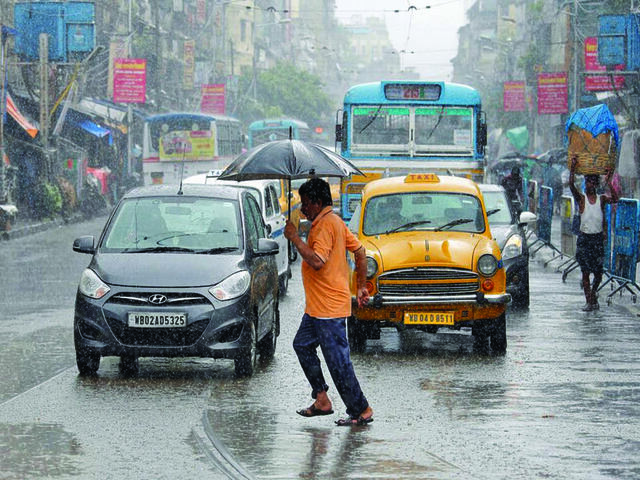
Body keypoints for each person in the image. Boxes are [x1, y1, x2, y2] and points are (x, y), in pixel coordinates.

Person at [284, 177, 374, 426]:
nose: (302, 209)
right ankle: (322, 399)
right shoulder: (333, 221)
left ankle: (361, 409)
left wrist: (294, 238)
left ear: (317, 202)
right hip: (317, 309)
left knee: (338, 362)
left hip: (328, 310)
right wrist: (361, 286)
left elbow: (317, 260)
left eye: (305, 203)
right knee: (302, 345)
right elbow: (361, 252)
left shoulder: (324, 225)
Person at [568, 155, 618, 311]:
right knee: (585, 272)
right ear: (585, 183)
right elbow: (571, 185)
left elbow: (615, 199)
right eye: (588, 182)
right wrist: (573, 168)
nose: (591, 184)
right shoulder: (581, 199)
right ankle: (588, 300)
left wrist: (609, 181)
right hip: (585, 239)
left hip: (596, 240)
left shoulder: (601, 199)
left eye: (593, 182)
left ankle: (593, 293)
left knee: (598, 273)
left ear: (596, 184)